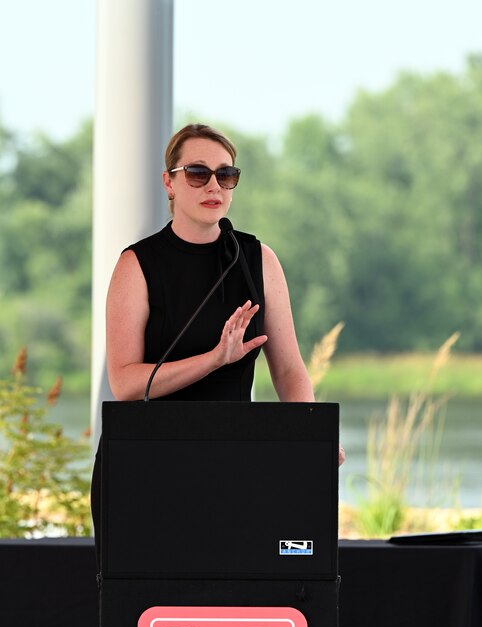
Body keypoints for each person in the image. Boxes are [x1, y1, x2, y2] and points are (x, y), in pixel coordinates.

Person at [91, 123, 344, 549]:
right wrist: (213, 359)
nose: (214, 185)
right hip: (150, 465)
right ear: (168, 182)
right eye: (197, 173)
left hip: (235, 459)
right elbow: (127, 384)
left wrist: (310, 434)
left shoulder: (256, 258)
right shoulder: (136, 264)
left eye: (226, 175)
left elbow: (287, 367)